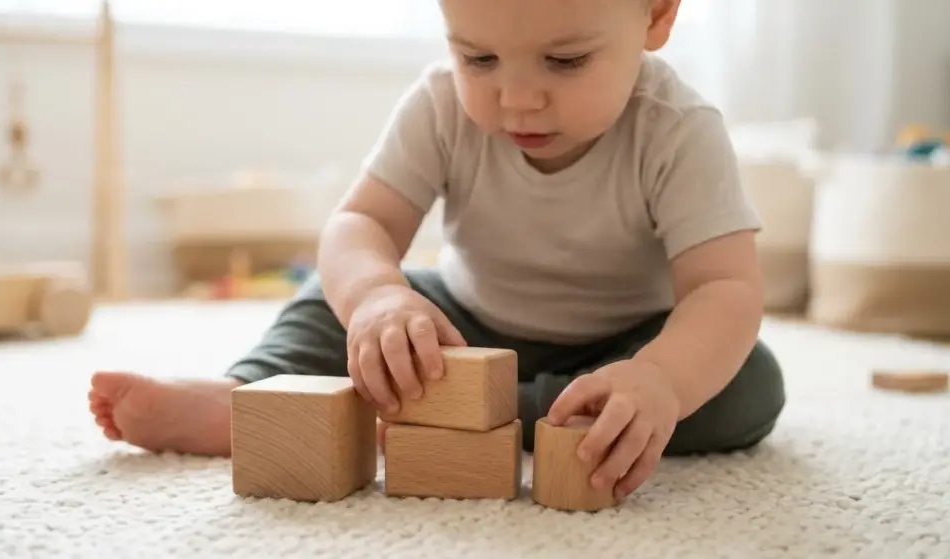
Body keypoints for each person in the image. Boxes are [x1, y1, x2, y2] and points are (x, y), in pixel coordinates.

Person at [89, 0, 785, 503]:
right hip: (463, 326)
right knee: (331, 303)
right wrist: (377, 299)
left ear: (656, 16)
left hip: (617, 348)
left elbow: (724, 289)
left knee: (747, 383)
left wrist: (657, 381)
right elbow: (359, 222)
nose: (516, 98)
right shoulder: (440, 105)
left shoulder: (679, 131)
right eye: (476, 57)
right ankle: (249, 395)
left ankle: (466, 414)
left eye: (565, 60)